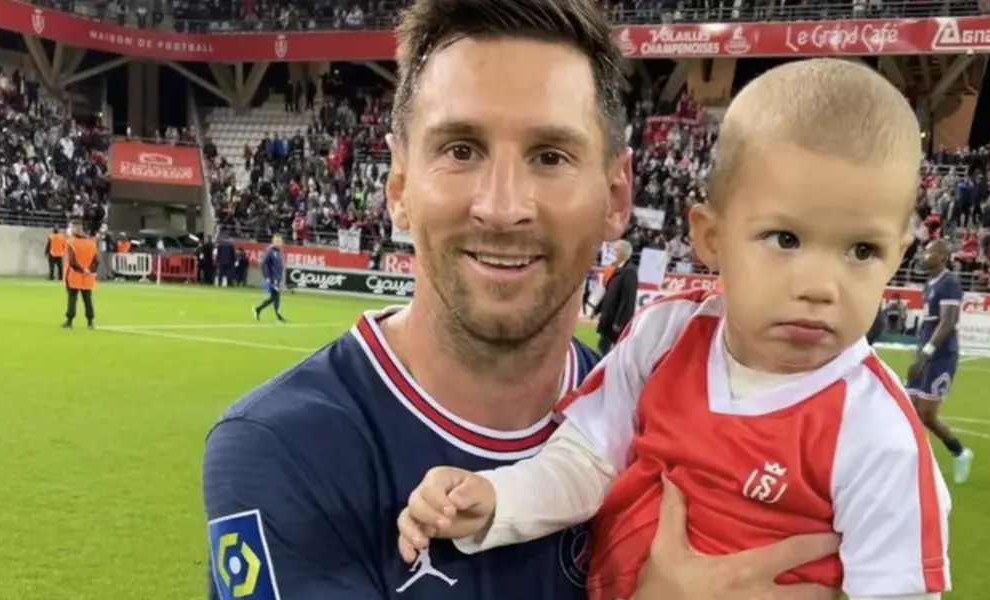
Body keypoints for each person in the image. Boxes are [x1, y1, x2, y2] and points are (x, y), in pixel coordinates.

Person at [203, 1, 836, 599]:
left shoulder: (662, 420)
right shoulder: (284, 447)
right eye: (460, 150)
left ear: (616, 196)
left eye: (550, 156)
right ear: (399, 186)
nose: (502, 207)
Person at [397, 59, 951, 600]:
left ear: (897, 257)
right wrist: (497, 500)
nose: (821, 286)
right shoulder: (667, 336)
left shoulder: (878, 435)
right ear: (711, 238)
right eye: (785, 239)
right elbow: (588, 461)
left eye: (862, 250)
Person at [907, 239, 974, 484]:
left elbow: (948, 321)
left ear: (943, 256)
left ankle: (960, 452)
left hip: (941, 356)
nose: (925, 256)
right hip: (924, 352)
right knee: (909, 410)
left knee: (926, 415)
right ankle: (914, 463)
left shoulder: (949, 283)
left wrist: (927, 352)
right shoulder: (929, 284)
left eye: (929, 252)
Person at [595, 240, 638, 354]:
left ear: (624, 252)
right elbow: (609, 292)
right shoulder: (618, 269)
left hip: (615, 320)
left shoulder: (629, 271)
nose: (614, 252)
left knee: (610, 349)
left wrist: (619, 321)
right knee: (603, 347)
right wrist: (597, 309)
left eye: (617, 249)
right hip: (609, 317)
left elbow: (628, 299)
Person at [62, 222, 98, 329]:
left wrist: (82, 269)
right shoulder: (92, 243)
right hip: (88, 276)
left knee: (72, 298)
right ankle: (90, 321)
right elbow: (96, 261)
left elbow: (72, 261)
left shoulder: (71, 242)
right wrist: (89, 270)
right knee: (87, 299)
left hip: (75, 275)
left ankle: (69, 321)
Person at [252, 234, 286, 322]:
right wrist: (267, 277)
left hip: (277, 278)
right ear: (273, 241)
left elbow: (279, 267)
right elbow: (263, 264)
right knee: (276, 296)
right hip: (272, 278)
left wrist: (280, 278)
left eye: (280, 241)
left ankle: (258, 309)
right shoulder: (270, 251)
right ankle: (278, 315)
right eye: (276, 241)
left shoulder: (280, 252)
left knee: (273, 297)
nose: (278, 243)